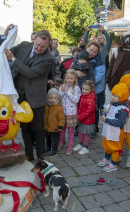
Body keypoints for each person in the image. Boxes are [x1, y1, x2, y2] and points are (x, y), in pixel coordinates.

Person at [5, 29, 55, 161]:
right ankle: (29, 154)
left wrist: (13, 59)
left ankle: (40, 157)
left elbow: (30, 73)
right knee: (24, 127)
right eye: (37, 44)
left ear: (47, 45)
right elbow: (5, 50)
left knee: (38, 129)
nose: (38, 48)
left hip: (36, 97)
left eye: (42, 46)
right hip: (20, 95)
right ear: (34, 39)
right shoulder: (24, 46)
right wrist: (6, 35)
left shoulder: (48, 59)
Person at [97, 83, 129, 172]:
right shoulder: (112, 104)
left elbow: (120, 122)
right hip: (108, 130)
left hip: (116, 132)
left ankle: (114, 163)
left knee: (115, 147)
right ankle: (107, 158)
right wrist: (104, 115)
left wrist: (107, 120)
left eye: (116, 96)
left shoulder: (122, 109)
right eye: (113, 95)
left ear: (122, 97)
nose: (113, 97)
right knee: (107, 145)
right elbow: (106, 111)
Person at [77, 41, 106, 134]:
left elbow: (99, 75)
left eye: (94, 52)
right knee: (81, 106)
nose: (92, 53)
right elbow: (72, 67)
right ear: (86, 48)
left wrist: (87, 84)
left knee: (94, 108)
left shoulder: (99, 60)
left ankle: (94, 127)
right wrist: (75, 72)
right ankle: (79, 126)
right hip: (81, 87)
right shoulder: (80, 55)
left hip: (95, 88)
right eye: (90, 50)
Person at [58, 69, 81, 155]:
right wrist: (62, 91)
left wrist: (68, 92)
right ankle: (61, 142)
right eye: (68, 78)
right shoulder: (62, 86)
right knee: (62, 129)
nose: (69, 80)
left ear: (75, 79)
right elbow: (59, 98)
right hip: (63, 113)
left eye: (71, 78)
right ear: (65, 78)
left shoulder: (77, 88)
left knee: (71, 131)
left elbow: (76, 100)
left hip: (71, 113)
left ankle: (70, 147)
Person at [73, 80, 96, 155]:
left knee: (86, 134)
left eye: (87, 89)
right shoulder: (82, 95)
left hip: (87, 120)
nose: (84, 91)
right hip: (81, 118)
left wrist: (80, 117)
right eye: (83, 89)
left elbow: (88, 111)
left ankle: (86, 147)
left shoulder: (91, 99)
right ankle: (80, 144)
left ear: (91, 89)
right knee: (80, 132)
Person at [44, 88, 65, 158]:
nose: (52, 100)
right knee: (48, 139)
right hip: (47, 127)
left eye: (54, 98)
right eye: (50, 98)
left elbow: (61, 118)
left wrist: (60, 126)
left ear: (58, 98)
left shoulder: (59, 108)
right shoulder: (46, 106)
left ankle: (54, 150)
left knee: (54, 140)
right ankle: (48, 147)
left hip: (55, 128)